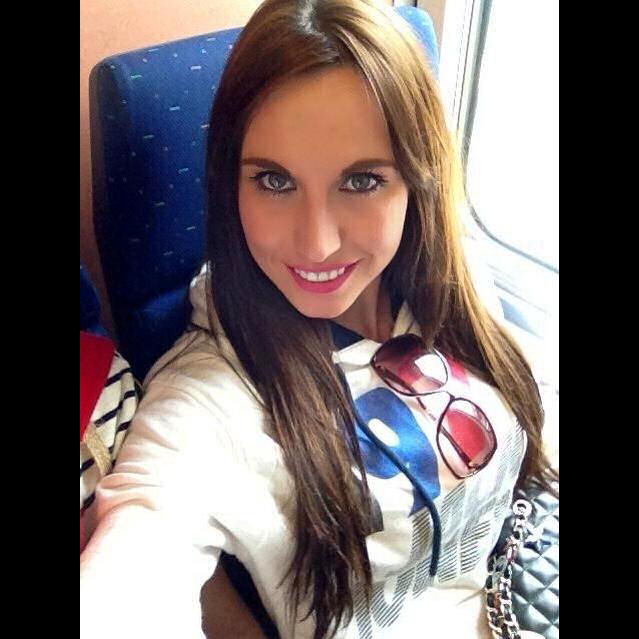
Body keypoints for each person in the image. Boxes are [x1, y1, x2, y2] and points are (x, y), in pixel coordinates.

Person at [80, 1, 558, 638]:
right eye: (274, 182)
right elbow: (139, 556)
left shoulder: (445, 271)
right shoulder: (209, 402)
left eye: (361, 181)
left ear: (416, 180)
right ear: (229, 184)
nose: (317, 245)